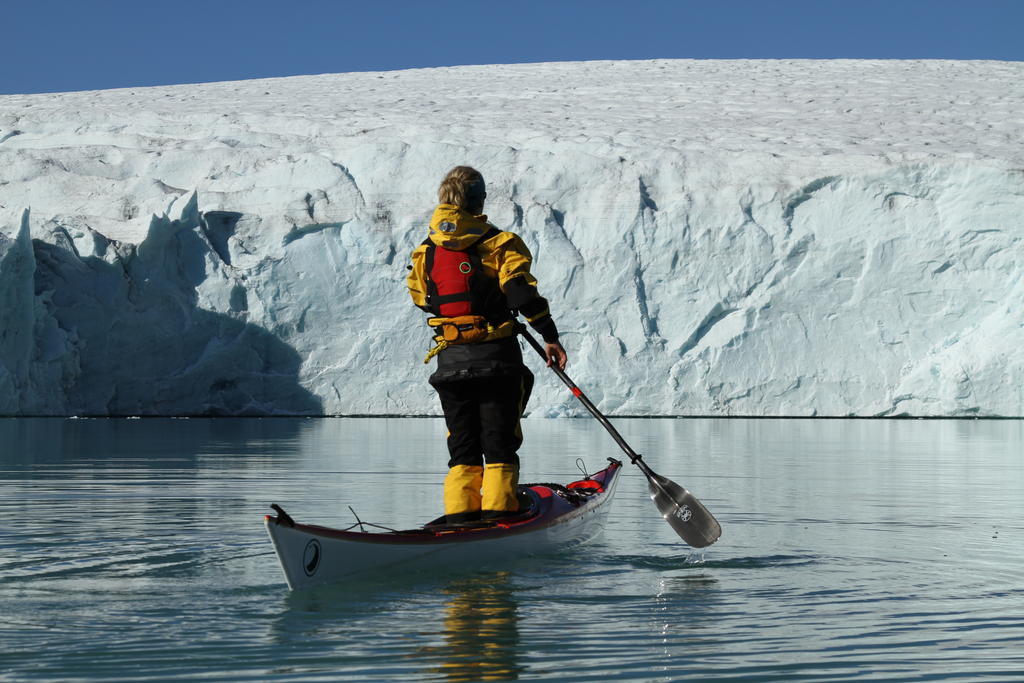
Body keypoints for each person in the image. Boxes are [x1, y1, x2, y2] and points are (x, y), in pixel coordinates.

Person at [407, 166, 567, 524]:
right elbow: (521, 291)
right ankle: (498, 519)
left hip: (450, 363)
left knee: (462, 447)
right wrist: (549, 336)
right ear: (478, 201)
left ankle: (461, 521)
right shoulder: (499, 243)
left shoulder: (425, 252)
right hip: (496, 360)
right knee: (498, 444)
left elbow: (422, 298)